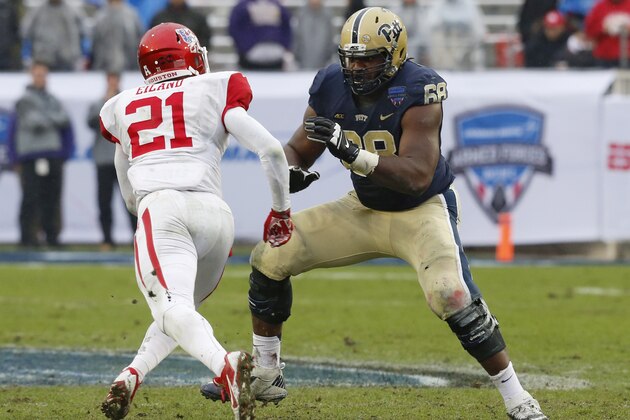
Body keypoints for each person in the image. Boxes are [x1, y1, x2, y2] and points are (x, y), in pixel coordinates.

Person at [201, 7, 548, 420]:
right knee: (270, 256)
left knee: (451, 295)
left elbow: (418, 175)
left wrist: (352, 152)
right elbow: (299, 147)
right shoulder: (332, 84)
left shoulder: (420, 88)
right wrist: (291, 170)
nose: (357, 67)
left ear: (395, 56)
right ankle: (266, 374)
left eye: (368, 58)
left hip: (420, 211)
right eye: (351, 58)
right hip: (364, 208)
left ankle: (517, 397)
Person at [98, 22, 293, 420]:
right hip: (215, 216)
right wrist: (280, 211)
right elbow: (272, 150)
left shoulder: (120, 105)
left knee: (172, 310)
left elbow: (130, 195)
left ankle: (226, 366)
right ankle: (130, 376)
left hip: (163, 208)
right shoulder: (215, 87)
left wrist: (154, 212)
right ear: (187, 54)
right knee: (179, 314)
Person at [8, 61, 74, 247]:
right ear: (31, 76)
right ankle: (27, 238)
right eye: (37, 75)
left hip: (53, 155)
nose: (40, 78)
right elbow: (34, 122)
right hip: (30, 156)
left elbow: (65, 120)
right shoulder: (24, 100)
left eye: (43, 75)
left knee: (52, 198)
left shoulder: (52, 99)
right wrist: (53, 117)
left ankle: (52, 237)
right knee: (31, 198)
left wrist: (48, 117)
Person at [86, 72, 137, 250]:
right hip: (104, 159)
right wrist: (106, 102)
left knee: (130, 200)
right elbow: (92, 123)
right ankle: (107, 238)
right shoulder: (98, 103)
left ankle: (136, 237)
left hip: (124, 158)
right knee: (104, 202)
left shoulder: (126, 101)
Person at [21, 0, 87, 71]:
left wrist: (84, 56)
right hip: (43, 62)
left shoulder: (74, 11)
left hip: (68, 62)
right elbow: (26, 35)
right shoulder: (36, 11)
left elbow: (84, 35)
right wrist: (26, 56)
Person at [228, 0, 293, 70]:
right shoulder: (242, 7)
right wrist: (245, 48)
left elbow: (287, 27)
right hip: (249, 59)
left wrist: (283, 47)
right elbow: (234, 28)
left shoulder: (278, 6)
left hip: (276, 58)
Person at [424, 0, 487, 70]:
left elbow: (476, 24)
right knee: (437, 37)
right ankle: (443, 68)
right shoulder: (438, 3)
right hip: (446, 37)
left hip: (464, 36)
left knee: (476, 37)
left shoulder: (469, 3)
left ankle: (470, 67)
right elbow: (432, 23)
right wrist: (447, 25)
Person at [89, 0, 144, 73]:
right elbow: (95, 45)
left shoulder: (132, 16)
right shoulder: (100, 17)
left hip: (129, 67)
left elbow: (139, 41)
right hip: (103, 69)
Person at [584, 0, 630, 67]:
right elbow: (589, 32)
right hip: (604, 57)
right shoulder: (599, 7)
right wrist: (603, 27)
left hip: (627, 57)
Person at [292, 0, 335, 70]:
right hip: (303, 63)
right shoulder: (301, 14)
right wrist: (297, 56)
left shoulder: (327, 16)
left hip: (322, 63)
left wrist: (328, 56)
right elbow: (297, 37)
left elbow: (329, 38)